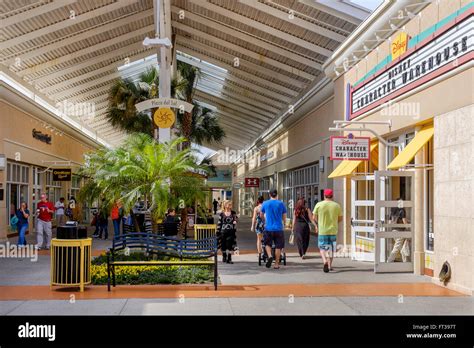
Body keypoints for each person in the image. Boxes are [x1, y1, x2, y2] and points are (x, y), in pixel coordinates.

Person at [313, 188, 342, 273]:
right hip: (333, 230)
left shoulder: (319, 204)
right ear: (332, 196)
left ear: (324, 196)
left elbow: (314, 217)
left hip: (322, 231)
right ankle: (329, 265)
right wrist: (333, 223)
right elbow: (340, 218)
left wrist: (320, 223)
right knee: (331, 249)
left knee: (322, 248)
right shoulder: (337, 205)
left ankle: (324, 261)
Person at [260, 189, 287, 269]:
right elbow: (284, 217)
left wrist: (264, 220)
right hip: (278, 228)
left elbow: (261, 215)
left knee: (267, 244)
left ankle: (270, 256)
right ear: (277, 194)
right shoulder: (281, 203)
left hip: (268, 228)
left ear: (270, 195)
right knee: (278, 246)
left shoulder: (265, 203)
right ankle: (276, 264)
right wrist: (284, 223)